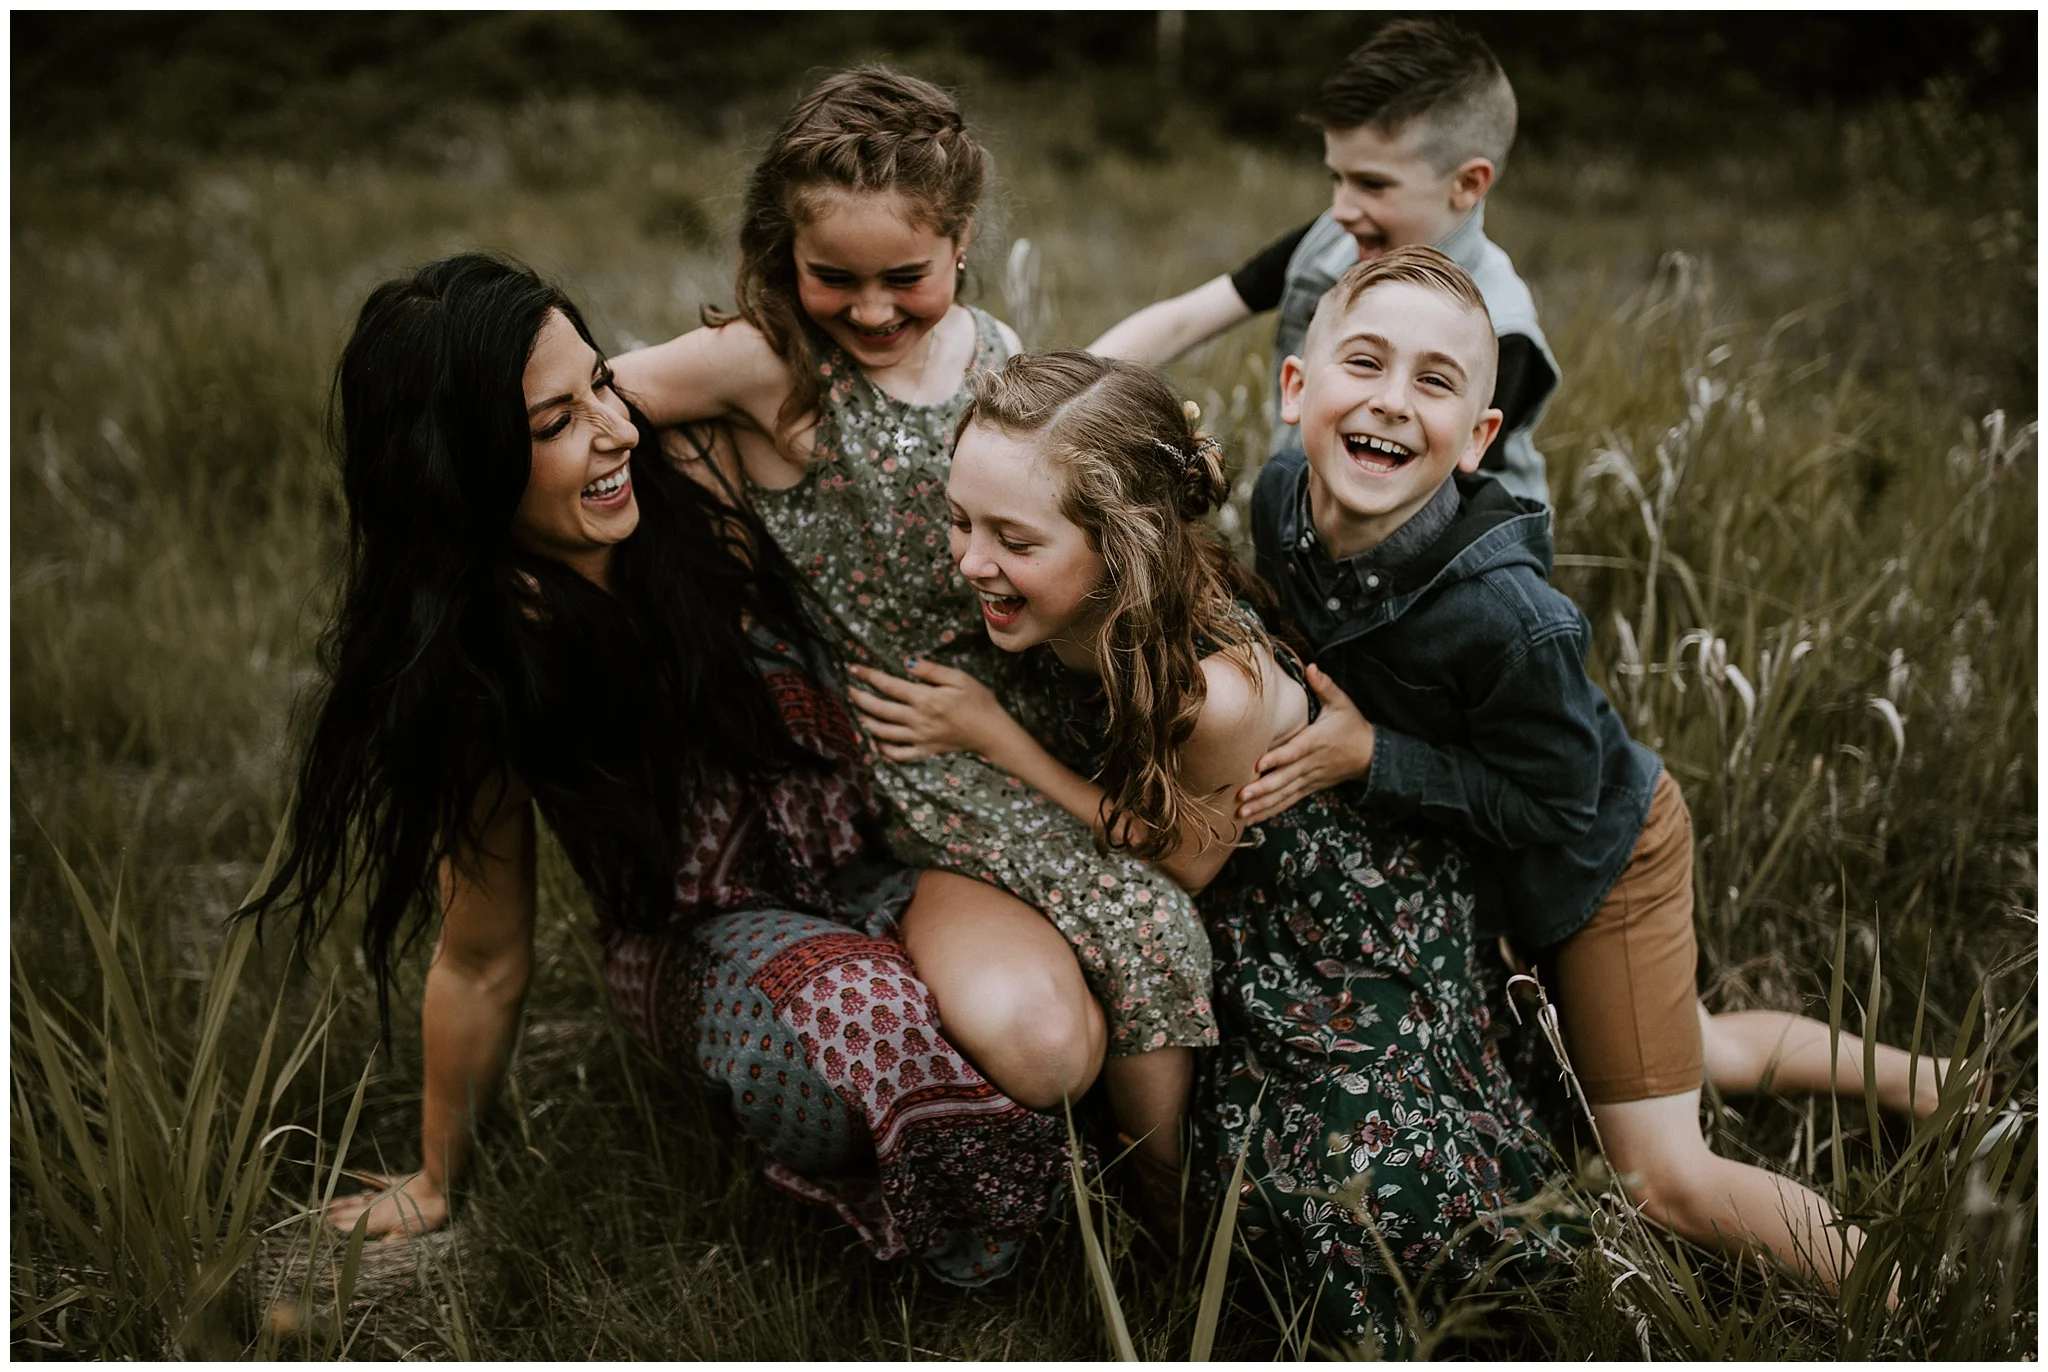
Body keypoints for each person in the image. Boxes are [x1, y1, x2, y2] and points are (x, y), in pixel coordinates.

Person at [242, 253, 1102, 1285]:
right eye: (553, 423)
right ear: (462, 468)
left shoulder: (696, 476)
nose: (612, 431)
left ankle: (1014, 1115)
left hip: (882, 855)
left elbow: (819, 346)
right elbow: (478, 953)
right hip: (697, 927)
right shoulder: (483, 674)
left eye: (599, 382)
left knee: (1049, 1021)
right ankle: (974, 1189)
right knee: (860, 1029)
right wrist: (434, 1179)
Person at [1236, 245, 1960, 1297]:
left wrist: (1371, 756)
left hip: (1601, 857)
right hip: (1487, 852)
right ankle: (1934, 1085)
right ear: (1295, 386)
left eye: (1434, 381)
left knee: (1657, 1174)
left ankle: (1919, 1296)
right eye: (1363, 363)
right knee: (1688, 1043)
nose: (1391, 403)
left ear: (1479, 439)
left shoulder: (1511, 620)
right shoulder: (1277, 502)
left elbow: (1553, 801)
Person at [847, 349, 1569, 1349]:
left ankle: (1172, 1246)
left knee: (1332, 1203)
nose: (967, 559)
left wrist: (995, 739)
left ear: (1119, 548)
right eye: (960, 519)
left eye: (1010, 537)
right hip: (1224, 870)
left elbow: (1183, 862)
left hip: (1311, 913)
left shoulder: (1208, 695)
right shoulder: (1079, 597)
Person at [612, 67, 1216, 1204]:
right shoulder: (773, 360)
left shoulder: (992, 347)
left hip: (1044, 697)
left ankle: (1168, 1193)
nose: (874, 309)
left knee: (1183, 894)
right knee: (1146, 919)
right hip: (926, 743)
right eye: (832, 276)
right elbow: (597, 399)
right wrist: (696, 504)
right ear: (782, 247)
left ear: (962, 239)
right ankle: (1164, 1207)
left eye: (908, 277)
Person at [1090, 18, 1558, 505]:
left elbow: (1421, 508)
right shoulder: (1330, 241)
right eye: (1338, 178)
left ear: (1467, 184)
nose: (1341, 208)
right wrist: (1063, 391)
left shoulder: (1501, 329)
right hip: (1307, 526)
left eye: (1372, 184)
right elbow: (1182, 323)